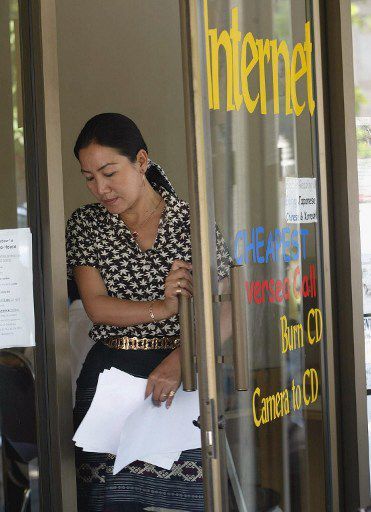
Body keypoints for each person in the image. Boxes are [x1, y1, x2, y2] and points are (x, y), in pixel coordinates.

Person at [66, 113, 232, 512]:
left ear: (141, 161)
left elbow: (226, 310)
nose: (100, 188)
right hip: (109, 378)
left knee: (187, 500)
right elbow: (97, 307)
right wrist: (162, 307)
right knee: (106, 499)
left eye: (109, 172)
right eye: (89, 177)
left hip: (181, 376)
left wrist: (182, 360)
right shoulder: (86, 225)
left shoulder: (190, 222)